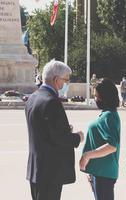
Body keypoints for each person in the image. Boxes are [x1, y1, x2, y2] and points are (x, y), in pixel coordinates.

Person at [25, 60, 84, 200]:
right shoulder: (52, 101)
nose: (66, 84)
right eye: (66, 80)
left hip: (36, 168)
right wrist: (77, 137)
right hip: (50, 171)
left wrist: (64, 129)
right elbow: (58, 138)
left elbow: (44, 129)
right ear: (56, 79)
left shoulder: (33, 97)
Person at [80, 78, 121, 200]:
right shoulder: (107, 114)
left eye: (96, 96)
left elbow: (112, 146)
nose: (95, 99)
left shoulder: (109, 116)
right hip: (100, 172)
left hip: (104, 173)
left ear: (105, 97)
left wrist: (87, 156)